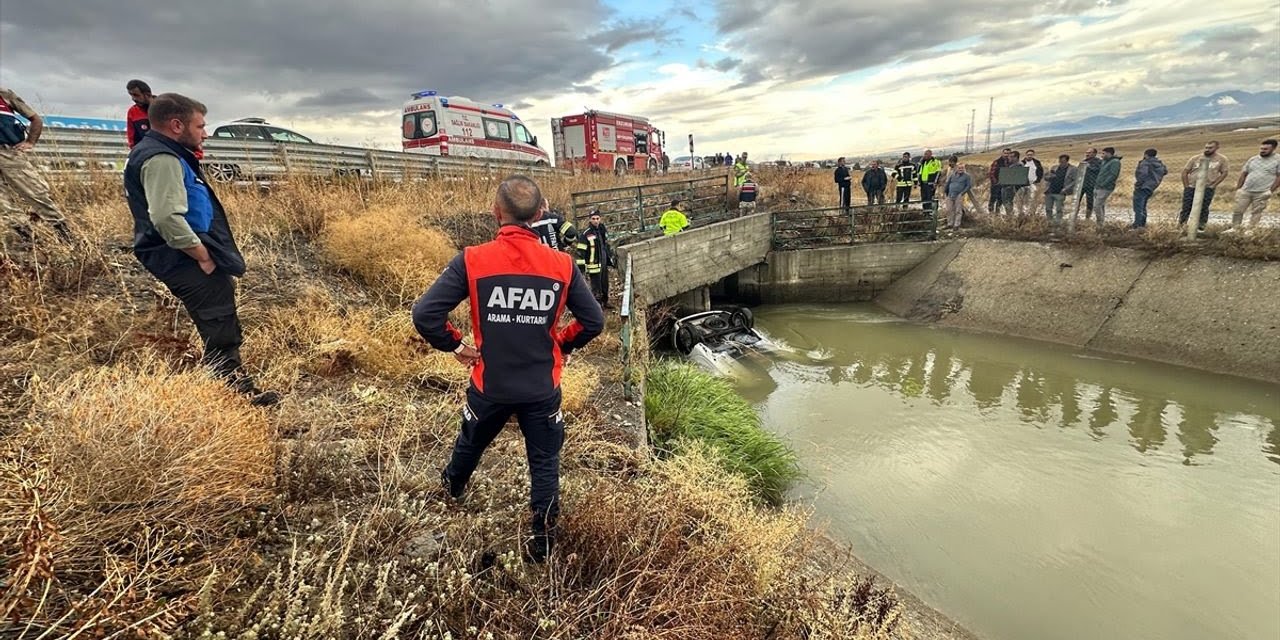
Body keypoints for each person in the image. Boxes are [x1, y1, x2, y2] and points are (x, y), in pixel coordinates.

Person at [412, 175, 604, 563]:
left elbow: (425, 314)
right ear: (541, 213)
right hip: (541, 389)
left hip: (490, 385)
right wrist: (562, 343)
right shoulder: (562, 264)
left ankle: (450, 492)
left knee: (470, 443)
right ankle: (543, 545)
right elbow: (593, 322)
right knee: (545, 463)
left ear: (495, 212)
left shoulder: (473, 259)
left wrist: (456, 345)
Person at [123, 93, 279, 406]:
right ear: (177, 125)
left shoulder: (165, 152)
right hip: (183, 258)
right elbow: (166, 217)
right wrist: (202, 255)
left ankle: (230, 386)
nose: (205, 133)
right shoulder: (161, 158)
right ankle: (231, 398)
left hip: (186, 254)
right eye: (201, 126)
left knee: (219, 319)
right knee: (219, 324)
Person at [0, 86, 71, 242]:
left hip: (9, 153)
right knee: (2, 204)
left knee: (36, 193)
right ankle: (29, 239)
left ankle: (65, 235)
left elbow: (35, 119)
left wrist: (30, 142)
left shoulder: (4, 94)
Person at [1178, 141, 1230, 231]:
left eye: (1210, 148)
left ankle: (1201, 226)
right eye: (1206, 147)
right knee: (1186, 206)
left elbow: (1224, 172)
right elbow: (1185, 172)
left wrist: (1214, 185)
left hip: (1207, 187)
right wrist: (1186, 186)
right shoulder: (1196, 158)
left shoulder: (1221, 159)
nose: (1207, 149)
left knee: (1204, 207)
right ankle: (1182, 225)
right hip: (1192, 186)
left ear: (1216, 148)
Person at [1231, 139, 1280, 228]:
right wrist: (1238, 188)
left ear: (1274, 148)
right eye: (1261, 149)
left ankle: (1251, 230)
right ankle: (1235, 228)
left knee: (1256, 212)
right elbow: (1244, 174)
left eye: (1265, 149)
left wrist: (1270, 191)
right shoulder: (1253, 159)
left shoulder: (1278, 160)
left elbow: (1279, 177)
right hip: (1246, 190)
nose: (1262, 151)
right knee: (1237, 211)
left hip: (1262, 192)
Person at [576, 210, 613, 308]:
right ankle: (597, 305)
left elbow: (605, 245)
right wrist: (581, 269)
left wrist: (610, 258)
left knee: (605, 284)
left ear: (600, 219)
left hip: (603, 263)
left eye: (597, 218)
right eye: (593, 219)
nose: (595, 221)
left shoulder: (602, 229)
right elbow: (580, 252)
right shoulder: (586, 234)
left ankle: (605, 302)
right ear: (590, 219)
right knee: (596, 287)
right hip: (593, 266)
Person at [1131, 148, 1168, 229]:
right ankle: (1142, 224)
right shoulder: (1159, 164)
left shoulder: (1146, 163)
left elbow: (1142, 174)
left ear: (1146, 154)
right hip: (1152, 187)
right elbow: (1165, 171)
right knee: (1143, 205)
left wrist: (1138, 184)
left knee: (1138, 207)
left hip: (1143, 186)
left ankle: (1137, 225)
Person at [1043, 154, 1077, 226]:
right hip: (1050, 191)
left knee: (1059, 209)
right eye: (1060, 161)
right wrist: (1050, 177)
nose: (1061, 163)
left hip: (1060, 192)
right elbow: (1046, 177)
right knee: (1048, 208)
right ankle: (1049, 222)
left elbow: (1075, 181)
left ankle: (1058, 223)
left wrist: (1066, 188)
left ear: (1067, 161)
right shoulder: (1054, 167)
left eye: (1063, 162)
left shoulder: (1073, 169)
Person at [1093, 147, 1121, 227]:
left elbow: (1113, 175)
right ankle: (1101, 223)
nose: (1102, 155)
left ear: (1109, 153)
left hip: (1105, 187)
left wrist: (1104, 184)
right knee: (1101, 205)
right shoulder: (1105, 161)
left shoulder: (1115, 162)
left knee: (1097, 205)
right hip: (1098, 186)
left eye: (1103, 153)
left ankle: (1100, 223)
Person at [942, 162, 973, 229]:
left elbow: (968, 186)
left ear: (964, 169)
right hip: (950, 194)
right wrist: (945, 192)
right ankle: (950, 223)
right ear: (956, 168)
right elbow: (948, 183)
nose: (960, 169)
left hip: (959, 195)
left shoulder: (967, 176)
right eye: (959, 168)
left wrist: (962, 193)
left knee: (958, 210)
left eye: (962, 168)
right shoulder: (952, 175)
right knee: (949, 210)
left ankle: (956, 225)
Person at [126, 79, 154, 149]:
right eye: (131, 95)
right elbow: (132, 139)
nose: (133, 98)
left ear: (148, 94)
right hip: (145, 152)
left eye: (136, 95)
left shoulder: (164, 106)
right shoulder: (132, 112)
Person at [1014, 149, 1043, 217]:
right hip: (1022, 184)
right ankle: (1020, 213)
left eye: (1031, 155)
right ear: (1026, 155)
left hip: (1033, 183)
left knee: (1031, 199)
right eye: (1028, 155)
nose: (1029, 156)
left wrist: (1038, 180)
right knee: (1020, 199)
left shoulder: (1037, 162)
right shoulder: (1021, 163)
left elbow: (1040, 172)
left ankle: (1030, 214)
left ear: (1033, 155)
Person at [1078, 148, 1102, 218]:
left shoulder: (1099, 161)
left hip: (1091, 185)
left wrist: (1089, 166)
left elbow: (1098, 170)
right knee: (1077, 200)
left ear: (1094, 154)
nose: (1087, 154)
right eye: (1086, 152)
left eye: (1089, 152)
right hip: (1082, 184)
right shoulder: (1084, 161)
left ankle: (1087, 218)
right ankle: (1074, 216)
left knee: (1090, 202)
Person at [987, 148, 1013, 214]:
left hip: (1005, 184)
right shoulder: (997, 162)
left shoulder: (1010, 163)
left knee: (1000, 200)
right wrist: (995, 182)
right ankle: (991, 213)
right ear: (1002, 153)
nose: (1006, 155)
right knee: (993, 199)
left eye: (1008, 153)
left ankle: (997, 213)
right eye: (1005, 153)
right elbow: (991, 173)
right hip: (996, 184)